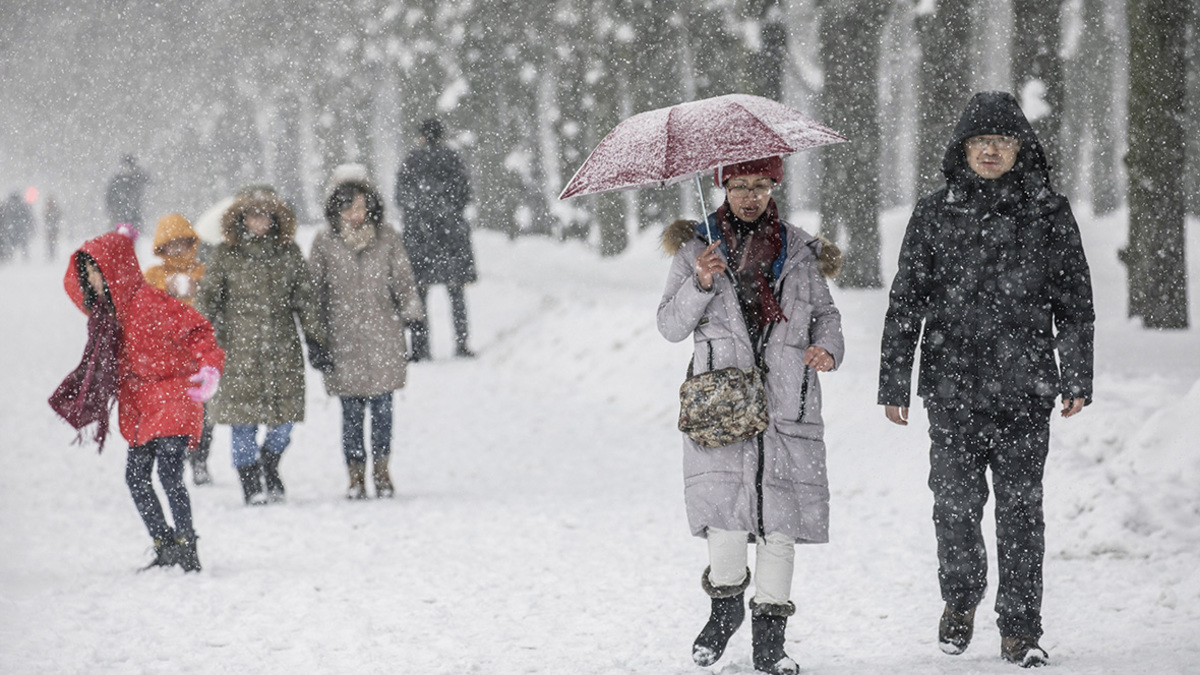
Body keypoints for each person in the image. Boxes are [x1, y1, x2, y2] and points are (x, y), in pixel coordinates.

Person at [878, 91, 1094, 668]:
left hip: (1026, 389)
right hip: (952, 388)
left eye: (1001, 140)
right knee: (954, 506)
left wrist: (1076, 374)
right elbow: (906, 302)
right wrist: (894, 384)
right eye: (980, 141)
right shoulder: (934, 212)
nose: (991, 150)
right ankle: (960, 598)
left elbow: (1074, 302)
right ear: (963, 149)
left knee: (1022, 512)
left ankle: (1021, 629)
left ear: (1022, 147)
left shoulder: (1049, 213)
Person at [657, 156, 844, 675]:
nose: (748, 196)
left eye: (759, 185)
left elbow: (826, 315)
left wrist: (827, 348)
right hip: (723, 404)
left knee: (781, 523)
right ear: (723, 186)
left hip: (788, 400)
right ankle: (723, 609)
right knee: (726, 519)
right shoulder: (697, 245)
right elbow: (670, 327)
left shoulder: (801, 250)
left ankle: (771, 640)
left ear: (773, 186)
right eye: (738, 185)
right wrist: (698, 281)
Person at [50, 231, 225, 572]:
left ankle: (188, 547)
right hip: (142, 405)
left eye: (98, 273)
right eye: (89, 276)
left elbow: (198, 330)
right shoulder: (109, 317)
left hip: (174, 396)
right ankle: (165, 543)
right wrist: (115, 245)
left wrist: (209, 366)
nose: (92, 282)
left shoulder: (151, 303)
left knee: (170, 476)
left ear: (115, 272)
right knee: (136, 478)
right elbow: (76, 292)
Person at [195, 188, 328, 506]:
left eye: (266, 215)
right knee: (243, 422)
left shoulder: (289, 252)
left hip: (282, 347)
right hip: (238, 349)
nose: (260, 222)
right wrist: (200, 341)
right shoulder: (225, 254)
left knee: (284, 422)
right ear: (241, 217)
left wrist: (316, 338)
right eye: (253, 215)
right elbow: (208, 299)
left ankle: (270, 463)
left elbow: (305, 298)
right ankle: (250, 480)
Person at [309, 172, 424, 499]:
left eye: (360, 207)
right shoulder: (324, 242)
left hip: (383, 336)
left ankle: (382, 472)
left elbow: (403, 282)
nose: (355, 215)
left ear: (371, 206)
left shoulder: (388, 238)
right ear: (335, 211)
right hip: (342, 340)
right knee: (351, 414)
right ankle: (355, 477)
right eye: (347, 209)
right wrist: (316, 339)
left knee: (384, 409)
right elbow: (314, 293)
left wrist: (414, 320)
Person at [394, 117, 476, 360]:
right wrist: (447, 212)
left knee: (420, 293)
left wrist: (420, 213)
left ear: (421, 136)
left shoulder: (411, 161)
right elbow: (464, 195)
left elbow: (400, 197)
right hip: (451, 235)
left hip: (420, 236)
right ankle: (461, 343)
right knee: (456, 291)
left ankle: (420, 347)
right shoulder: (452, 159)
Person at [145, 213, 215, 485]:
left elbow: (211, 306)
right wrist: (167, 287)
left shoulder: (202, 273)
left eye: (182, 244)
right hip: (167, 359)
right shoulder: (154, 275)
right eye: (170, 245)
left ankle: (200, 460)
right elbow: (145, 310)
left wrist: (196, 289)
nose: (177, 251)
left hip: (198, 356)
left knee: (203, 414)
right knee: (172, 413)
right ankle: (175, 459)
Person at [105, 154, 151, 237]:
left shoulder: (136, 178)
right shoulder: (118, 180)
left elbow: (149, 180)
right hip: (122, 216)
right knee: (120, 240)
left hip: (133, 216)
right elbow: (109, 198)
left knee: (130, 241)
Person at [44, 195, 63, 262]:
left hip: (53, 228)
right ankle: (51, 255)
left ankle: (53, 255)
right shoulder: (51, 209)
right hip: (51, 228)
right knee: (51, 243)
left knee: (53, 242)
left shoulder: (52, 209)